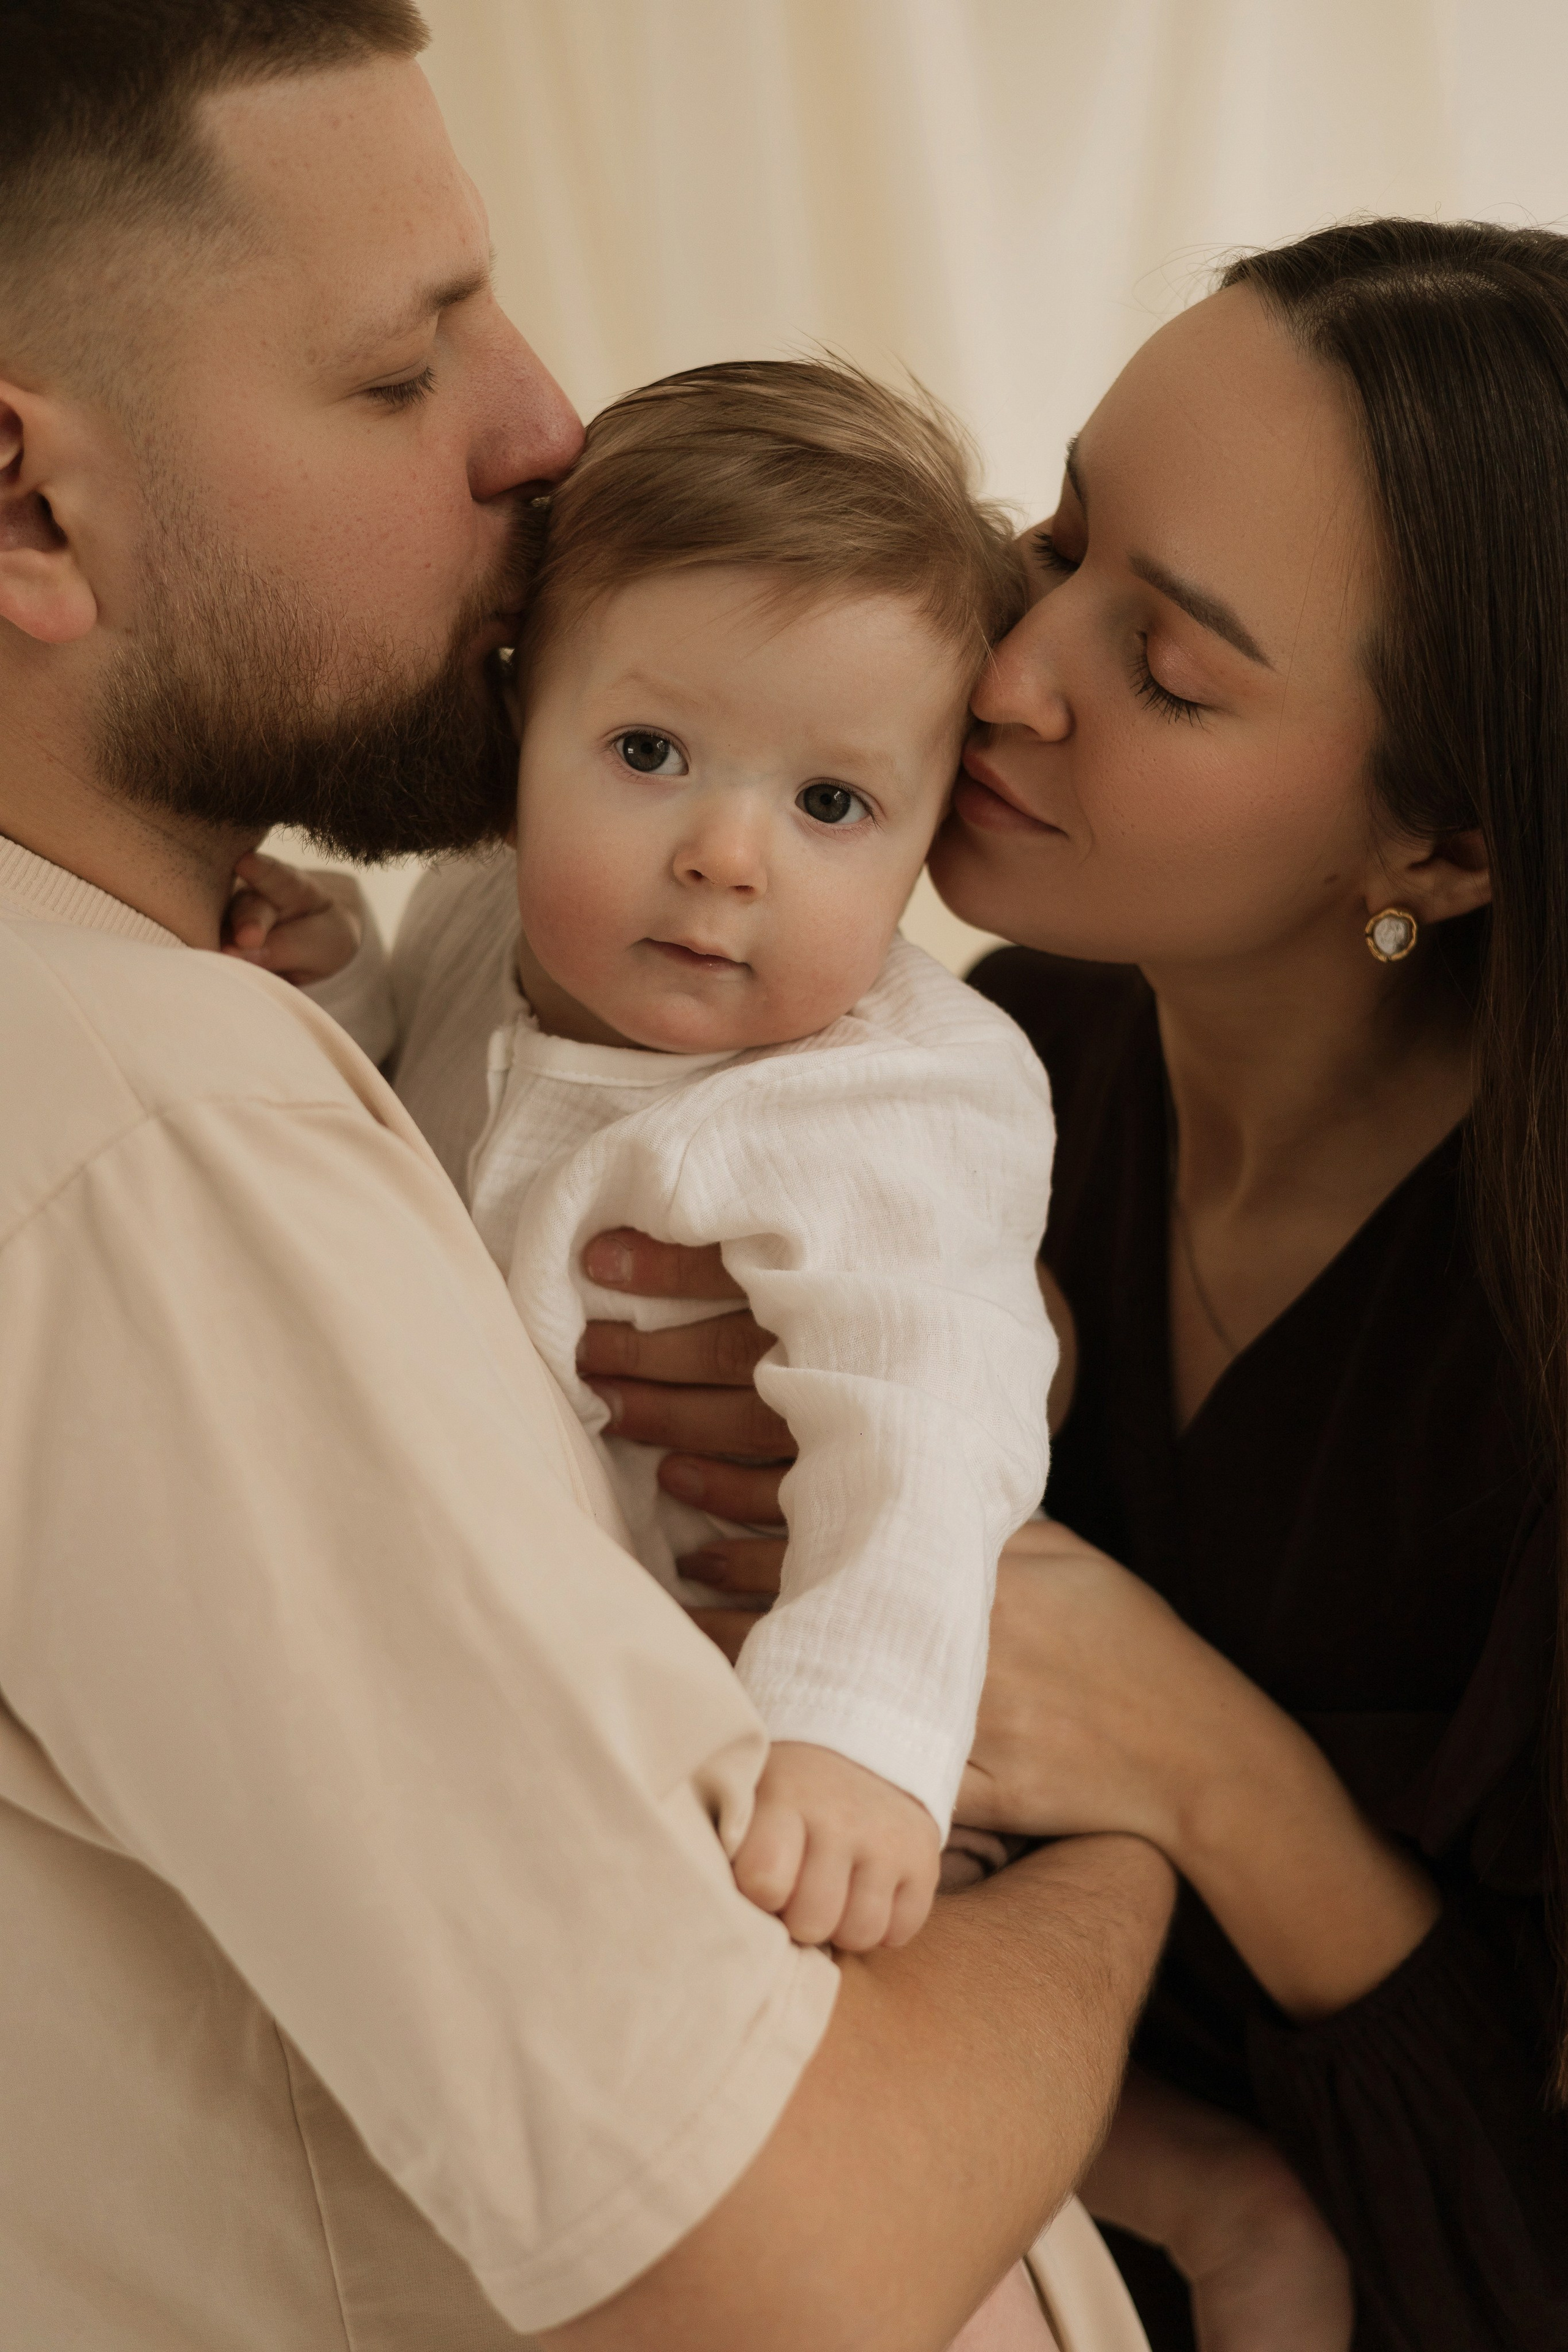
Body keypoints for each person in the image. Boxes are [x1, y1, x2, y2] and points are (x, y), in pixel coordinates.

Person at [0, 5, 1174, 2348]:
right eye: (399, 364)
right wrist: (1137, 1833)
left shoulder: (252, 1033)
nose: (544, 424)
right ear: (29, 507)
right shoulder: (151, 1145)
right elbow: (787, 2266)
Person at [603, 224, 1568, 2348]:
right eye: (1058, 539)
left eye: (1176, 669)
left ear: (1445, 848)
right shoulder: (976, 1061)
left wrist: (1205, 1765)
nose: (1014, 667)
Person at [236, 356, 1058, 1962]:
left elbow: (933, 1430)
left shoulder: (888, 1099)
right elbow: (399, 1129)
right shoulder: (489, 903)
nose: (723, 856)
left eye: (831, 800)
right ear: (517, 721)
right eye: (648, 754)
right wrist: (333, 984)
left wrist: (860, 1731)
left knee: (847, 1931)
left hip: (758, 1709)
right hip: (499, 1663)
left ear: (931, 823)